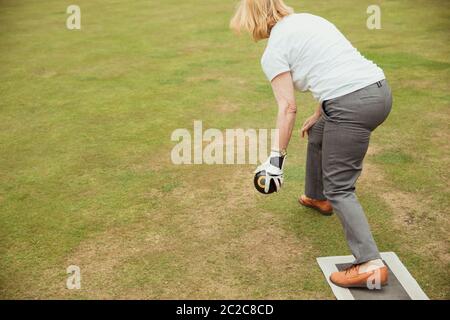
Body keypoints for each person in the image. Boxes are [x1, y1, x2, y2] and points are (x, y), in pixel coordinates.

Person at [231, 0, 392, 289]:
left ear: (252, 18)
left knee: (340, 187)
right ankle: (317, 197)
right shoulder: (310, 20)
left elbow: (287, 108)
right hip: (379, 91)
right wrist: (320, 112)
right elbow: (333, 66)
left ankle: (370, 264)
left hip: (352, 106)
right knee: (317, 131)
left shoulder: (273, 52)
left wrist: (275, 160)